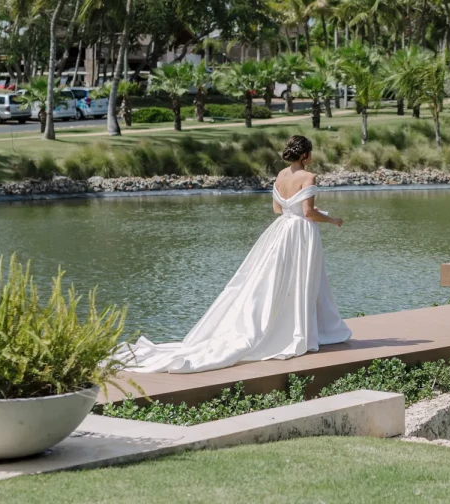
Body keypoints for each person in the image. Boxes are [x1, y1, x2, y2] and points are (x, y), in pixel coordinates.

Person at [123, 135, 352, 373]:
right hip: (301, 234)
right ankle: (302, 330)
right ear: (305, 155)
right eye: (311, 153)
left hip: (281, 231)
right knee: (303, 279)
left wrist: (294, 211)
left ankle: (296, 326)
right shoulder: (308, 177)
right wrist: (332, 219)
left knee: (274, 280)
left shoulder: (281, 176)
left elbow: (277, 209)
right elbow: (308, 213)